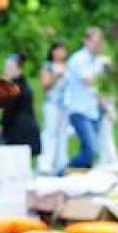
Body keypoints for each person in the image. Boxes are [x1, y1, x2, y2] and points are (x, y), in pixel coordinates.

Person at [62, 27, 108, 172]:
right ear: (86, 41)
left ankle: (78, 182)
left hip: (93, 111)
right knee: (92, 150)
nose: (98, 45)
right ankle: (62, 172)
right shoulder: (78, 59)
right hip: (79, 111)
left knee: (89, 155)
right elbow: (89, 81)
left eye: (100, 42)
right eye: (95, 42)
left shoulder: (99, 60)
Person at [0, 53, 41, 157]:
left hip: (18, 130)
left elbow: (9, 112)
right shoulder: (24, 85)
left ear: (17, 68)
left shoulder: (14, 88)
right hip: (28, 127)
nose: (5, 70)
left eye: (8, 67)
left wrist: (3, 127)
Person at [37, 43, 69, 175]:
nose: (62, 53)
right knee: (50, 133)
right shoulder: (48, 66)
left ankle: (61, 163)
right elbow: (45, 85)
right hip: (52, 104)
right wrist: (56, 77)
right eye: (59, 50)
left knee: (63, 134)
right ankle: (46, 163)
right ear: (53, 52)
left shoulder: (68, 66)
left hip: (65, 105)